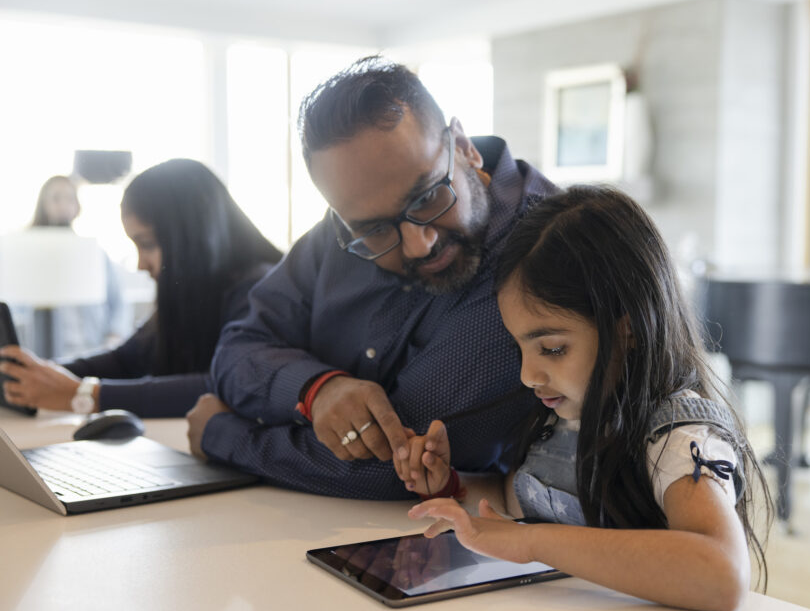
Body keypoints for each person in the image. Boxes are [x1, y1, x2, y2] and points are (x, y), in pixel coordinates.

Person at [187, 56, 560, 498]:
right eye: (376, 229)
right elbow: (237, 349)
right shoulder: (344, 230)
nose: (418, 244)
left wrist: (220, 433)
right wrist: (316, 390)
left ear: (463, 145)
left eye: (426, 197)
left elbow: (399, 463)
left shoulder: (543, 256)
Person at [401, 186, 772, 611]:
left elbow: (722, 575)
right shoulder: (564, 415)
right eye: (519, 348)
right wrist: (449, 485)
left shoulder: (676, 437)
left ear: (626, 329)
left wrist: (530, 542)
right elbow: (519, 501)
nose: (528, 375)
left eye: (553, 349)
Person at [0, 159, 282, 417]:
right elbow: (125, 360)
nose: (140, 264)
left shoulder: (259, 292)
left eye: (147, 244)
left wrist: (84, 394)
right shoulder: (195, 296)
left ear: (192, 236)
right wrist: (41, 374)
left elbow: (226, 384)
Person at [23, 175, 131, 358]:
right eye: (56, 198)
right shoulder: (29, 253)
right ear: (43, 204)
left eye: (69, 198)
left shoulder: (93, 252)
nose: (63, 205)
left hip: (93, 350)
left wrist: (114, 337)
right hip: (48, 353)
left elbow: (118, 301)